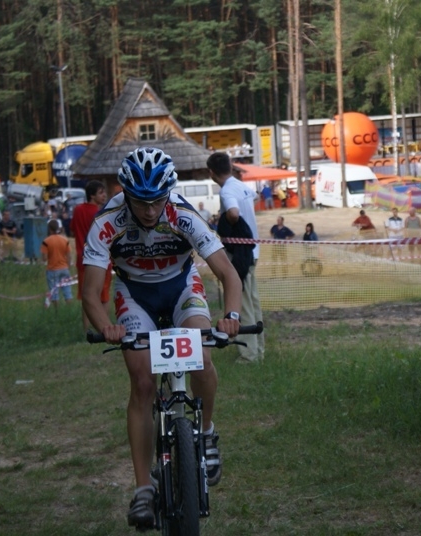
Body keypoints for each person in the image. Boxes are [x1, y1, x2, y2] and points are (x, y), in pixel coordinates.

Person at [82, 148, 243, 529]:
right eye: (141, 202)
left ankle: (206, 433)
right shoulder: (106, 222)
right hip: (134, 295)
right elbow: (89, 292)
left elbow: (228, 274)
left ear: (168, 194)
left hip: (181, 288)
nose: (150, 210)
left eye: (157, 201)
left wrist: (232, 316)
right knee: (142, 382)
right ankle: (143, 489)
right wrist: (107, 326)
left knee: (202, 355)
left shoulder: (182, 215)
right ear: (126, 194)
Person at [207, 151, 265, 363]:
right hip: (252, 251)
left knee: (242, 304)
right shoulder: (241, 186)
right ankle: (258, 350)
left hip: (240, 253)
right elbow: (253, 199)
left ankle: (249, 355)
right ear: (230, 167)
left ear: (211, 172)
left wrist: (228, 223)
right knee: (253, 302)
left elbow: (233, 213)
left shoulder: (227, 191)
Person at [70, 180, 111, 332]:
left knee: (87, 295)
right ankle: (104, 329)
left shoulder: (77, 210)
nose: (104, 195)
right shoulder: (99, 214)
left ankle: (86, 329)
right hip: (100, 259)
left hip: (81, 258)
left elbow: (73, 229)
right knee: (104, 296)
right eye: (101, 192)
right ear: (92, 196)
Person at [41, 219, 73, 308]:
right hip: (64, 268)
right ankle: (69, 309)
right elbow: (69, 256)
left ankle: (56, 311)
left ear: (49, 229)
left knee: (54, 293)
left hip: (52, 269)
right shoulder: (65, 240)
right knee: (67, 291)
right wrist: (68, 266)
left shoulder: (46, 241)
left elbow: (44, 258)